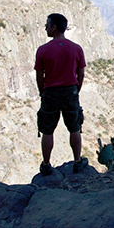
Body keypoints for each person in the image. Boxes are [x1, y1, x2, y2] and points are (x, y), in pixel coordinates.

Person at [34, 13, 88, 175]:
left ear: (54, 27)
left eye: (47, 25)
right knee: (74, 127)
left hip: (50, 92)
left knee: (47, 130)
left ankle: (46, 164)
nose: (45, 28)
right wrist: (75, 90)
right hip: (70, 90)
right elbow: (81, 74)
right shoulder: (76, 49)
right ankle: (77, 161)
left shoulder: (43, 50)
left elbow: (39, 75)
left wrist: (42, 91)